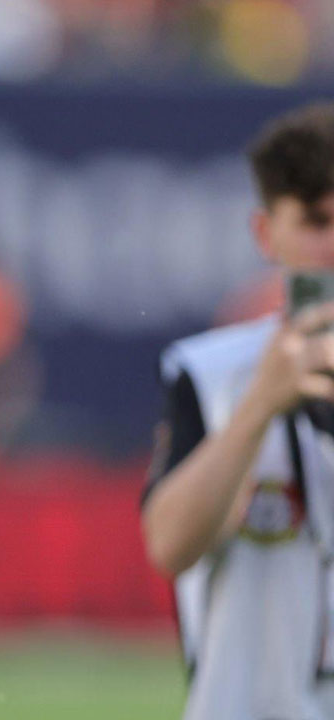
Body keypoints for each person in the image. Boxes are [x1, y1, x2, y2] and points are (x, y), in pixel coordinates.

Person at [143, 103, 334, 720]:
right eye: (317, 221)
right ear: (265, 233)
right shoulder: (212, 374)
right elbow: (171, 545)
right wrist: (259, 409)